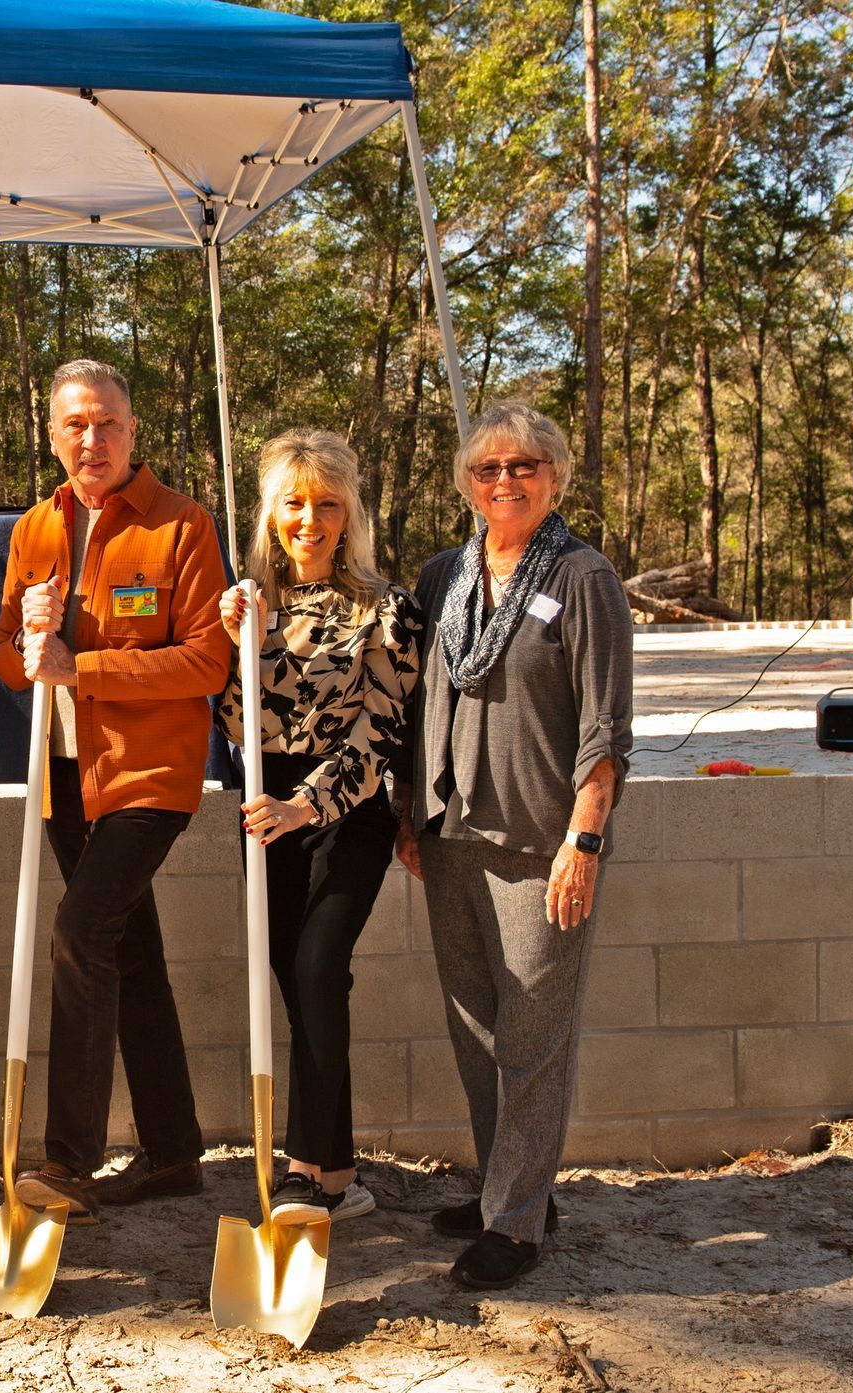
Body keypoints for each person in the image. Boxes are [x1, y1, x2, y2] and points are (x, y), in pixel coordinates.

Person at [0, 359, 234, 1224]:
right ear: (53, 434)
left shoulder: (182, 525)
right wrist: (28, 641)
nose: (91, 441)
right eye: (74, 426)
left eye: (108, 425)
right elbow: (8, 667)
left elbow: (209, 657)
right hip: (62, 773)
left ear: (134, 433)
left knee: (80, 930)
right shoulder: (34, 527)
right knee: (133, 956)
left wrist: (81, 664)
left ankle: (68, 1161)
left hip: (146, 775)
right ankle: (173, 1153)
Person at [396, 400, 632, 1290]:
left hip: (541, 840)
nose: (505, 481)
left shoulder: (583, 577)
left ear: (555, 477)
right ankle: (514, 1189)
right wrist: (404, 813)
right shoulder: (443, 574)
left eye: (524, 466)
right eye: (489, 468)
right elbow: (418, 700)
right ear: (467, 481)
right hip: (449, 834)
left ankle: (519, 1225)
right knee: (474, 1029)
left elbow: (607, 726)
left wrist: (586, 838)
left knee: (532, 1036)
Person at [214, 429, 422, 1226]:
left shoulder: (386, 609)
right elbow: (234, 721)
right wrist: (242, 630)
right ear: (272, 512)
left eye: (327, 504)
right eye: (295, 503)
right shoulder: (246, 605)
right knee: (304, 991)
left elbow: (382, 736)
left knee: (317, 964)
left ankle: (300, 1175)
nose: (311, 519)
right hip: (264, 814)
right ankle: (340, 1173)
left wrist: (309, 803)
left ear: (349, 513)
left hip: (347, 813)